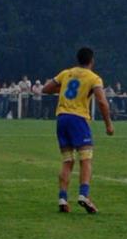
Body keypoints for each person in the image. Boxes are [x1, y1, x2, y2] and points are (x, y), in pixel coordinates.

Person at [40, 47, 114, 214]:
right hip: (78, 119)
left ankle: (62, 197)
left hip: (62, 118)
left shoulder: (66, 73)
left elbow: (46, 89)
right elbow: (102, 102)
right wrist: (108, 124)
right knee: (86, 159)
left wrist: (63, 89)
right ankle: (84, 195)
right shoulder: (94, 78)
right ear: (92, 61)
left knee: (67, 160)